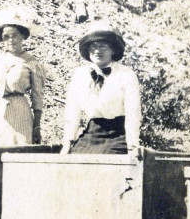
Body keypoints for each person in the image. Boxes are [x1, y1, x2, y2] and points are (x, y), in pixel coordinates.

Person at [60, 22, 142, 155]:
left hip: (118, 135)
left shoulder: (126, 75)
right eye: (93, 46)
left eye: (103, 46)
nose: (98, 51)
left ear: (113, 50)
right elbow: (72, 111)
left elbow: (133, 113)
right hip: (91, 134)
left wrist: (132, 146)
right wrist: (67, 142)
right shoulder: (80, 74)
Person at [0, 6, 47, 146]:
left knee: (19, 151)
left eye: (15, 35)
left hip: (20, 112)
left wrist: (37, 127)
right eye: (6, 37)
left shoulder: (32, 63)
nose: (11, 40)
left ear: (23, 35)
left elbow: (37, 98)